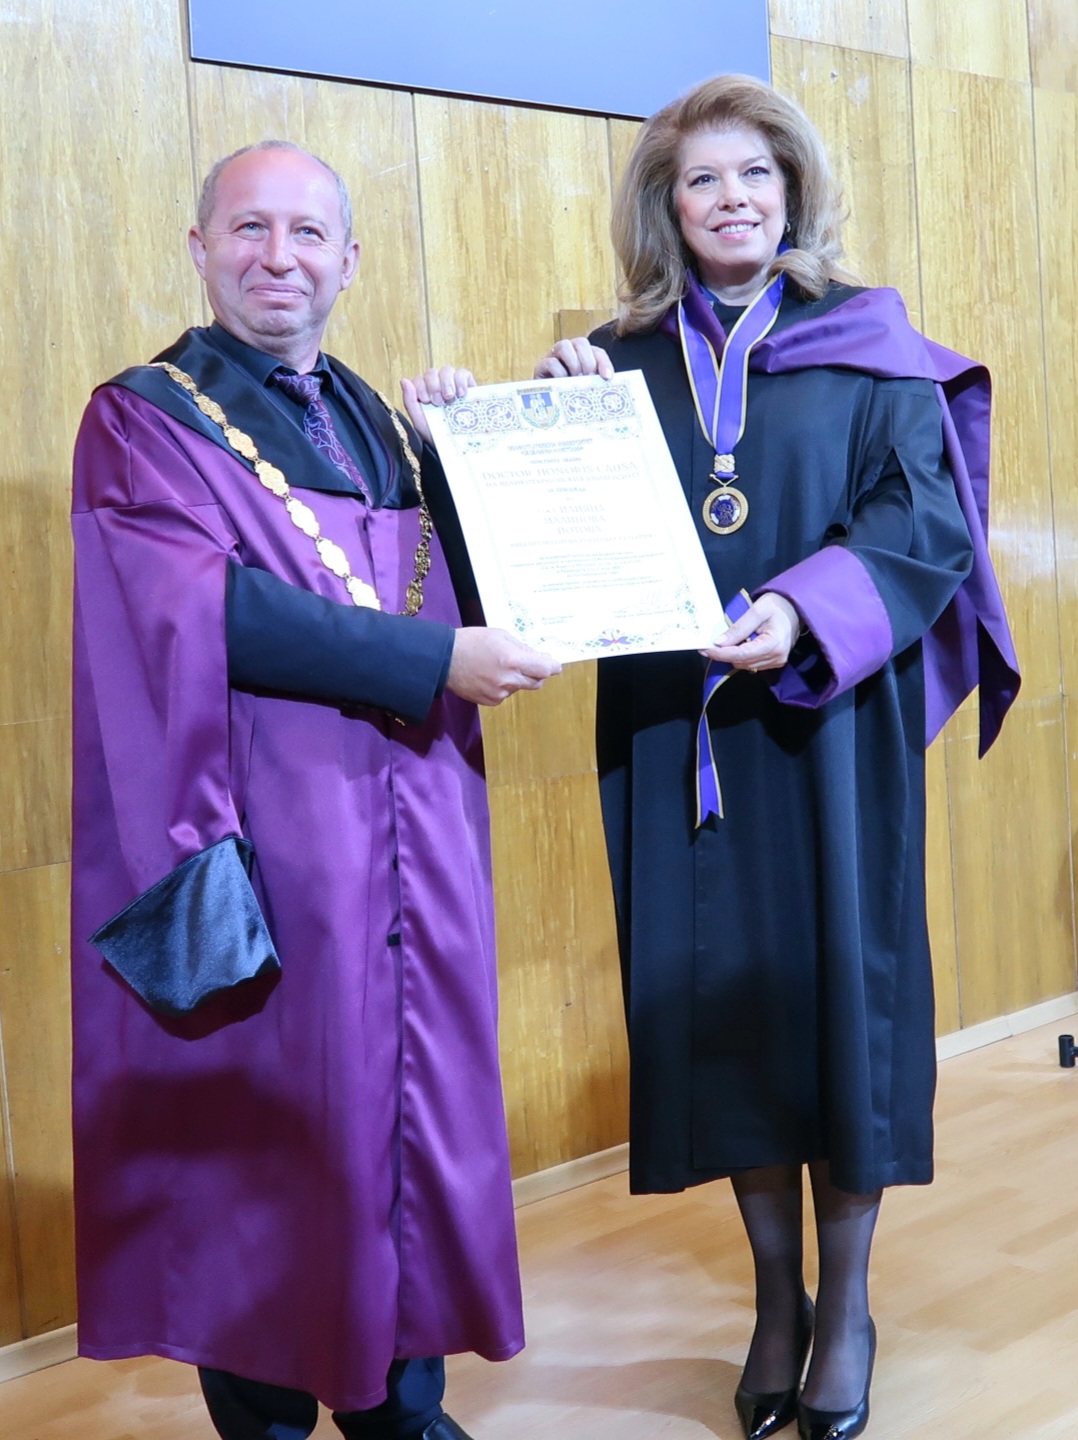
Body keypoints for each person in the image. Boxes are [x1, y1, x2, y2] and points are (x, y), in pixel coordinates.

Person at [431, 74, 1020, 1440]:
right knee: (722, 1012)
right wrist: (497, 424)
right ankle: (772, 1301)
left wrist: (801, 611)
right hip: (674, 732)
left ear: (793, 188)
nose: (732, 198)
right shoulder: (615, 363)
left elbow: (922, 523)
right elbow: (523, 542)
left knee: (839, 1005)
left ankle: (848, 1306)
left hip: (828, 723)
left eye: (755, 172)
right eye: (701, 178)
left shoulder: (871, 346)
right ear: (667, 206)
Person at [70, 140, 560, 1440]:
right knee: (277, 1141)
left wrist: (485, 448)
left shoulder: (378, 423)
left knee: (408, 1124)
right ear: (199, 247)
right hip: (274, 833)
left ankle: (401, 1404)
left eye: (305, 234)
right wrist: (430, 664)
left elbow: (455, 586)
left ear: (349, 259)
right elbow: (207, 610)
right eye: (248, 229)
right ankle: (270, 1419)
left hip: (415, 832)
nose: (277, 257)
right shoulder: (144, 418)